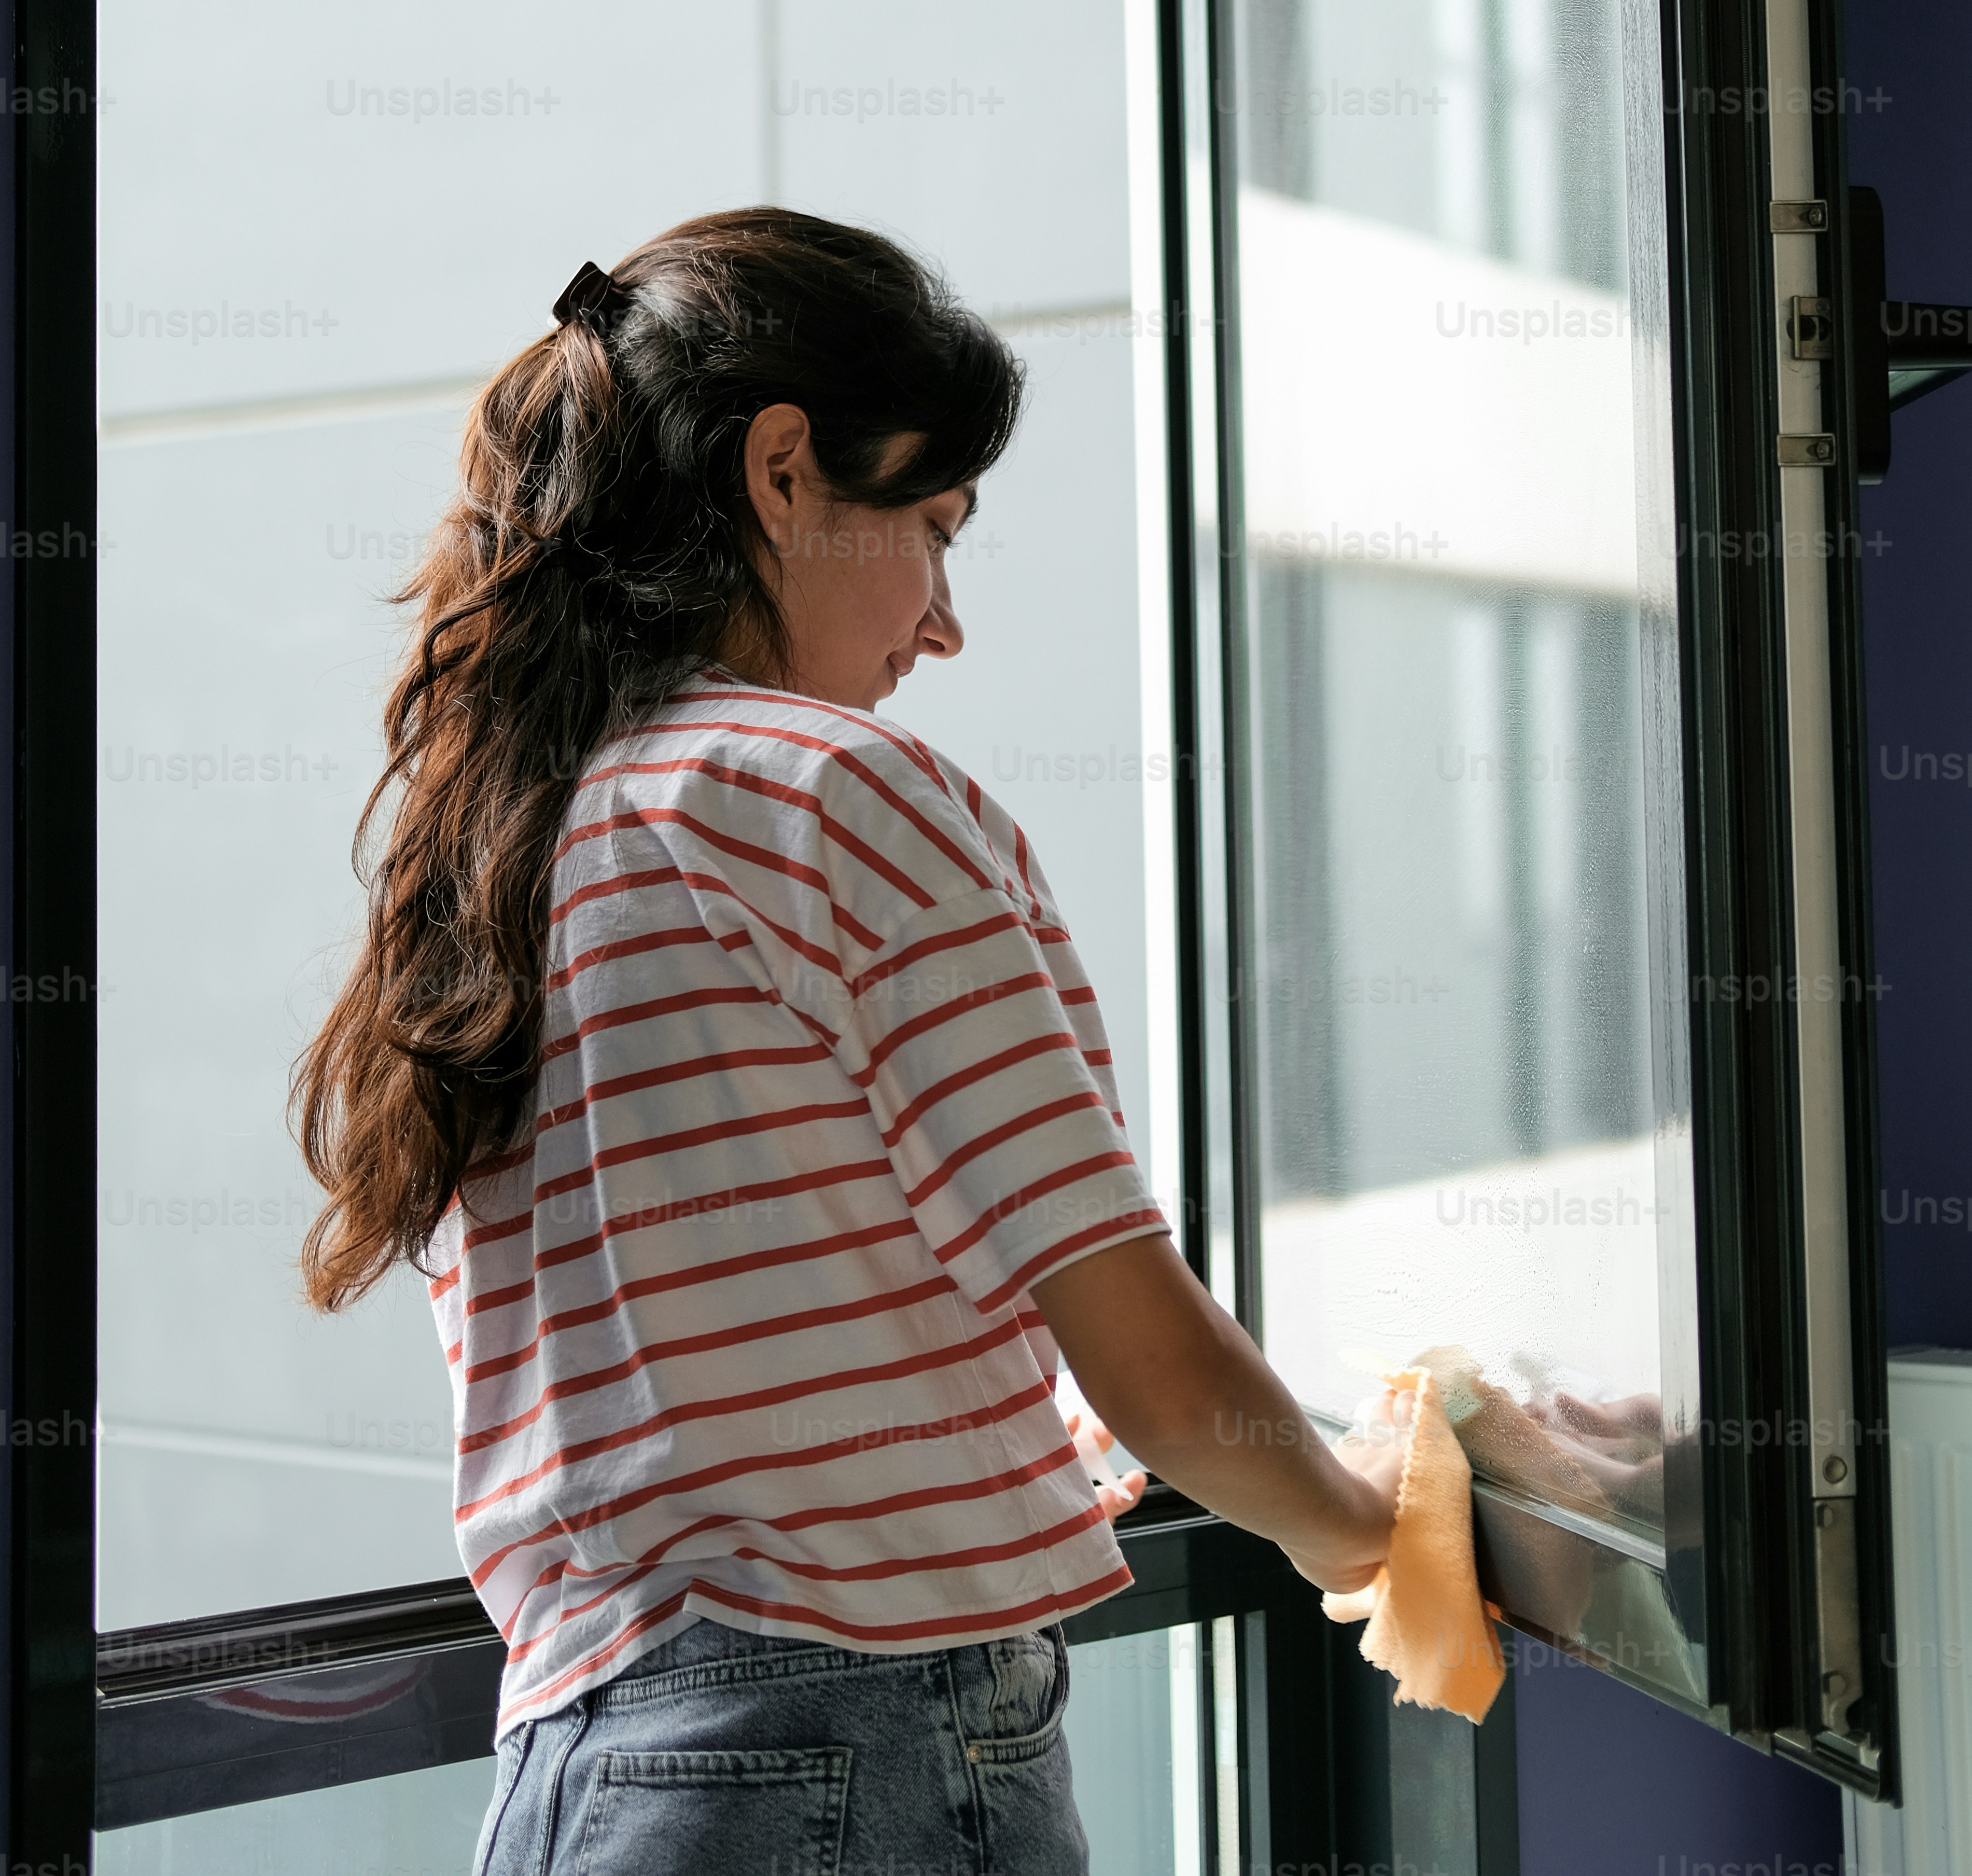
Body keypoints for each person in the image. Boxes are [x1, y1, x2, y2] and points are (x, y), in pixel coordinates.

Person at [293, 209, 1404, 1876]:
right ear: (783, 471)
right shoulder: (831, 792)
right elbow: (1150, 1360)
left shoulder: (518, 837)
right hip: (842, 1755)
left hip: (587, 1771)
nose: (942, 622)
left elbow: (750, 1354)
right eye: (935, 528)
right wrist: (1367, 1532)